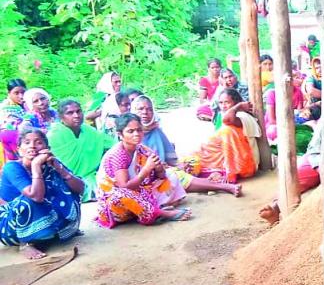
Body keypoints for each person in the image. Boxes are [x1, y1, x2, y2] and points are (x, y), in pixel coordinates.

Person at [131, 95, 242, 197]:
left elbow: (170, 156)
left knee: (193, 162)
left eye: (149, 109)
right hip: (147, 175)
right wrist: (165, 168)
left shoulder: (155, 130)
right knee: (175, 175)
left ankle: (202, 182)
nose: (145, 112)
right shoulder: (130, 132)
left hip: (162, 167)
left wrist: (178, 165)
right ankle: (221, 186)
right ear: (133, 111)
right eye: (141, 109)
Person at [0, 127, 84, 259]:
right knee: (30, 199)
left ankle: (60, 229)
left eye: (38, 142)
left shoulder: (50, 163)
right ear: (19, 149)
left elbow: (80, 189)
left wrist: (59, 168)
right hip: (11, 225)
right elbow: (36, 197)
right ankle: (26, 243)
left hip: (39, 213)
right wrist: (35, 166)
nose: (32, 146)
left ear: (47, 147)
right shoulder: (12, 167)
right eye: (27, 142)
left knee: (66, 187)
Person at [95, 113, 191, 228]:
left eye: (139, 130)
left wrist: (159, 169)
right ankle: (163, 213)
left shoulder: (143, 149)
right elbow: (124, 187)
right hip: (117, 206)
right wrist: (146, 170)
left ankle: (150, 209)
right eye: (130, 131)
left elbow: (161, 176)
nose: (136, 134)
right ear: (120, 135)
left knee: (171, 175)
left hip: (139, 194)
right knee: (121, 194)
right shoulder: (118, 155)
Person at [181, 89, 260, 183]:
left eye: (227, 102)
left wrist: (238, 107)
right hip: (222, 157)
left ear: (236, 102)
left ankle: (229, 171)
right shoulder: (228, 115)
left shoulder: (242, 116)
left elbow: (227, 120)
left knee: (227, 131)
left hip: (245, 164)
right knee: (190, 160)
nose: (223, 106)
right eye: (221, 103)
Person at [47, 100, 116, 202]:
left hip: (91, 178)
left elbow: (112, 144)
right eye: (70, 113)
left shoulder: (89, 131)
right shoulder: (54, 136)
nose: (76, 115)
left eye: (79, 111)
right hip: (66, 180)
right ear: (61, 117)